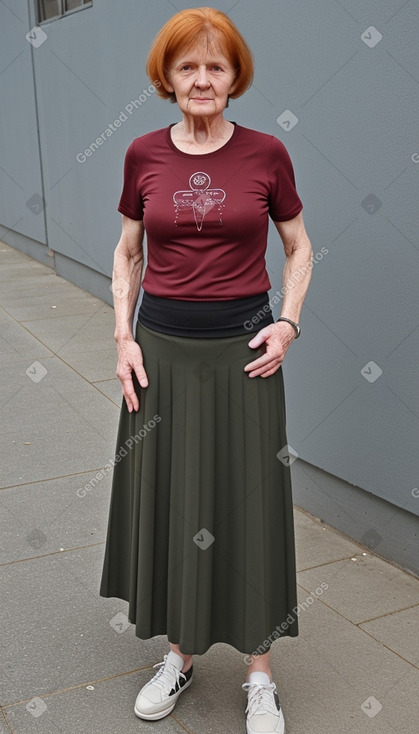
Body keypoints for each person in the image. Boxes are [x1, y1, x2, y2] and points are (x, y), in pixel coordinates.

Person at [100, 7, 313, 734]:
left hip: (243, 357)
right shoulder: (141, 155)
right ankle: (180, 656)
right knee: (175, 501)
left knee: (243, 504)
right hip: (159, 352)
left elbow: (299, 247)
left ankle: (259, 676)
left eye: (214, 67)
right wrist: (122, 338)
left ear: (233, 77)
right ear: (167, 77)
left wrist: (286, 322)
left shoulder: (265, 154)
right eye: (186, 66)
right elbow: (127, 254)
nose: (201, 79)